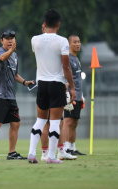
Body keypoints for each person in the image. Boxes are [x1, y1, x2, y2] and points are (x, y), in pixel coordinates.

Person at [28, 9, 76, 164]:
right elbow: (66, 66)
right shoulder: (62, 41)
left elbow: (41, 48)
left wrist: (43, 33)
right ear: (58, 24)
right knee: (55, 122)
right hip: (56, 84)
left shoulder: (35, 39)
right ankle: (51, 156)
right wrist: (72, 88)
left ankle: (31, 154)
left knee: (40, 120)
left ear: (44, 23)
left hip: (41, 84)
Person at [0, 29, 34, 161]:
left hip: (11, 96)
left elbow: (15, 75)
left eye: (12, 38)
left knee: (16, 123)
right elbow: (2, 58)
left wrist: (24, 82)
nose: (10, 40)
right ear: (2, 41)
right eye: (7, 38)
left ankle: (12, 153)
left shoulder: (15, 56)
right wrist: (11, 51)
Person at [62, 35, 86, 156]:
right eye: (75, 42)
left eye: (79, 41)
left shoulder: (76, 59)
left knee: (75, 121)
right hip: (70, 95)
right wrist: (67, 90)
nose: (78, 44)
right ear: (69, 44)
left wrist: (82, 96)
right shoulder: (68, 58)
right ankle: (65, 148)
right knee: (68, 121)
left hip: (78, 94)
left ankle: (72, 147)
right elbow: (63, 74)